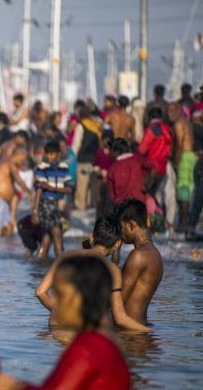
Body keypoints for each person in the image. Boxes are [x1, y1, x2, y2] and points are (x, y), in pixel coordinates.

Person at [0, 256, 130, 390]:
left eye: (60, 295)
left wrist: (13, 385)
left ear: (81, 296)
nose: (55, 303)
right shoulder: (106, 338)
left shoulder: (87, 347)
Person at [35, 219, 152, 331]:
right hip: (81, 329)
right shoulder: (112, 269)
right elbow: (120, 319)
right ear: (117, 243)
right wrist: (150, 332)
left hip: (56, 325)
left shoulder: (65, 256)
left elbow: (40, 292)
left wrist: (61, 311)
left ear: (93, 237)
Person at [115, 198, 163, 326]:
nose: (120, 233)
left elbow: (117, 302)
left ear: (130, 225)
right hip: (139, 326)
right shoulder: (154, 253)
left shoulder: (138, 256)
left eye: (121, 227)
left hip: (129, 332)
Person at [32, 141, 73, 260]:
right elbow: (39, 190)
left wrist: (53, 188)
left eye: (52, 154)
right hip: (45, 204)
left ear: (58, 154)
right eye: (48, 154)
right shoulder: (41, 168)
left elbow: (69, 189)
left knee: (48, 237)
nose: (49, 157)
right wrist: (35, 210)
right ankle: (60, 264)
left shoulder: (64, 168)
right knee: (57, 235)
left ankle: (39, 263)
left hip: (54, 205)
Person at [0, 147, 32, 236]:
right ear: (19, 155)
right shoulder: (9, 164)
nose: (24, 162)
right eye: (24, 159)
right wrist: (30, 193)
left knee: (8, 227)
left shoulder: (5, 164)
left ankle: (5, 249)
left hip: (1, 201)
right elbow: (19, 180)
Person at [169, 102, 195, 229]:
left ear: (179, 110)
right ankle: (184, 221)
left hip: (184, 157)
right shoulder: (186, 121)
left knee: (183, 190)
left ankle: (183, 223)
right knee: (186, 190)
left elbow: (179, 145)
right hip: (190, 156)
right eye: (169, 111)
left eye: (173, 110)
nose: (170, 114)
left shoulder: (178, 123)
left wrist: (176, 162)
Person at [71, 107, 102, 211]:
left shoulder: (81, 126)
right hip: (94, 160)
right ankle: (91, 203)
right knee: (91, 182)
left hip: (83, 160)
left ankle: (81, 205)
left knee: (82, 183)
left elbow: (77, 143)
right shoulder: (96, 125)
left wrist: (73, 156)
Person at [107, 138, 155, 205]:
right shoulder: (137, 159)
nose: (109, 153)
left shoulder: (112, 169)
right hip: (139, 204)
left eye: (110, 150)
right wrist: (147, 186)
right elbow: (153, 168)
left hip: (122, 206)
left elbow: (112, 196)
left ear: (117, 151)